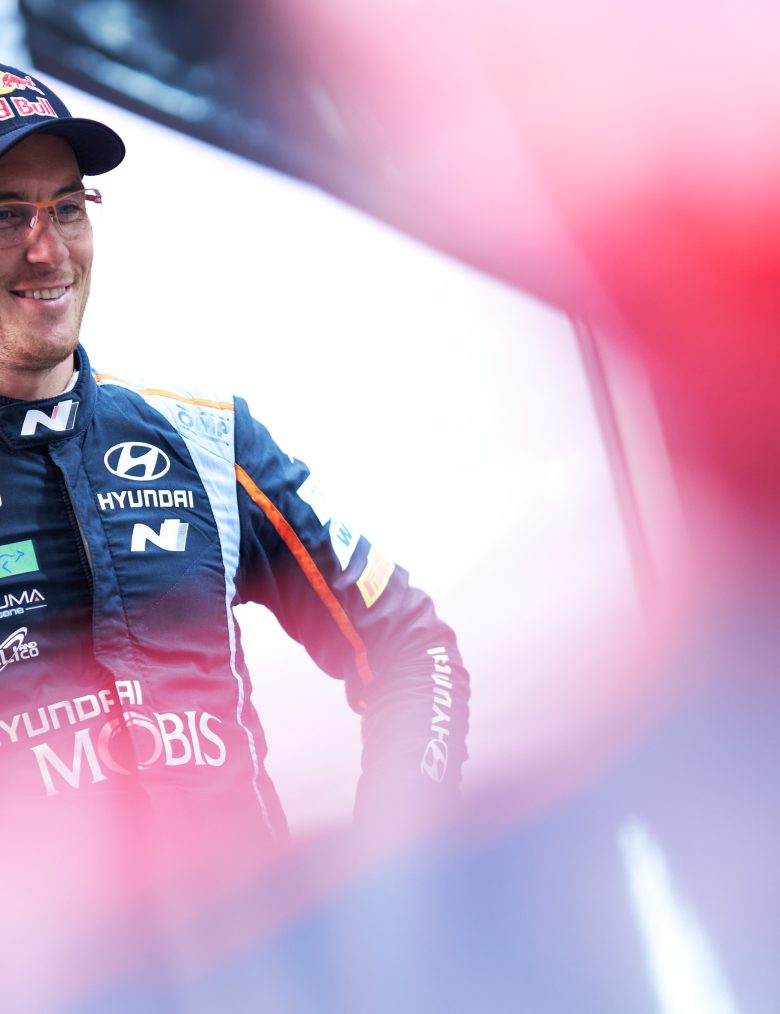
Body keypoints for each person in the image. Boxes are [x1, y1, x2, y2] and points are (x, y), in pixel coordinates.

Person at [0, 61, 469, 1003]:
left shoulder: (206, 442)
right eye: (7, 216)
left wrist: (392, 869)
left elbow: (412, 650)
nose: (47, 250)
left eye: (68, 208)